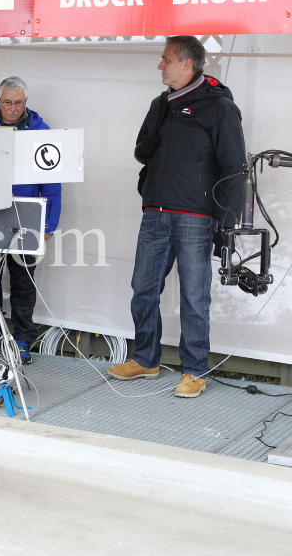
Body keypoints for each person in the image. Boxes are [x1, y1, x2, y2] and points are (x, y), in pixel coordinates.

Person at [108, 35, 247, 398]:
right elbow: (142, 151)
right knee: (143, 290)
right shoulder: (160, 104)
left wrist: (226, 227)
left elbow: (234, 169)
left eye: (166, 59)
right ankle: (145, 359)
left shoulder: (219, 108)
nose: (160, 65)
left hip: (195, 217)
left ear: (188, 63)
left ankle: (195, 370)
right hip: (155, 212)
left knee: (194, 297)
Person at [0, 76, 62, 364]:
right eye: (8, 102)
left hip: (27, 216)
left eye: (19, 102)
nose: (13, 108)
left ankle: (22, 340)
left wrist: (49, 223)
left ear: (26, 102)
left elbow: (53, 179)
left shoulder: (40, 130)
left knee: (23, 283)